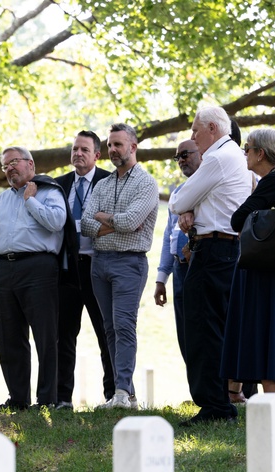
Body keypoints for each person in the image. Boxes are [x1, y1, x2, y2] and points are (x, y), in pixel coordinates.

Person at [169, 106, 251, 425]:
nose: (192, 137)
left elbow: (178, 200)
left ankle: (215, 406)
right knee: (213, 326)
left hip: (213, 250)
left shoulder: (217, 158)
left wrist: (188, 208)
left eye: (195, 130)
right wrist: (191, 210)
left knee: (203, 327)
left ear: (213, 129)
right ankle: (218, 402)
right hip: (223, 248)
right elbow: (189, 203)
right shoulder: (231, 155)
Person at [221, 129, 275, 393]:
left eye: (247, 148)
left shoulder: (273, 181)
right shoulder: (273, 182)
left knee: (266, 331)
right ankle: (239, 393)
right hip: (270, 269)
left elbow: (237, 219)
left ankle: (271, 396)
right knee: (266, 330)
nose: (244, 153)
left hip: (267, 272)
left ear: (260, 153)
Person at [81, 123, 159, 409]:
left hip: (129, 262)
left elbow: (132, 222)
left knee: (124, 326)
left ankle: (123, 393)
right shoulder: (102, 184)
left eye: (118, 144)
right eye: (110, 145)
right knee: (110, 329)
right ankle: (125, 393)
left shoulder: (147, 183)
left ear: (133, 147)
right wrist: (113, 222)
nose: (113, 149)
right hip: (99, 263)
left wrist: (104, 218)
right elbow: (87, 225)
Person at [0, 146, 67, 410]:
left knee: (45, 337)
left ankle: (47, 399)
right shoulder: (1, 199)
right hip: (4, 271)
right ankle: (18, 399)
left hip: (38, 268)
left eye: (14, 162)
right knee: (9, 338)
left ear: (30, 165)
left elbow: (57, 221)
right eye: (5, 165)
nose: (10, 168)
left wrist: (31, 200)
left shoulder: (49, 191)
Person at [54, 131, 114, 409]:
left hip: (98, 266)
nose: (78, 154)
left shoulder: (109, 182)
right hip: (67, 269)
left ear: (97, 155)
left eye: (84, 150)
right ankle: (61, 397)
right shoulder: (58, 185)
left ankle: (114, 393)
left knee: (106, 332)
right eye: (75, 149)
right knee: (63, 335)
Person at [154, 141, 201, 363]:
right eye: (177, 157)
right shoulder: (179, 193)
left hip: (201, 265)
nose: (181, 160)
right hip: (179, 267)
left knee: (205, 330)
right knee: (185, 333)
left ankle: (232, 392)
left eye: (185, 154)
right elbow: (168, 236)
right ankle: (196, 392)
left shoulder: (212, 187)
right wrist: (161, 279)